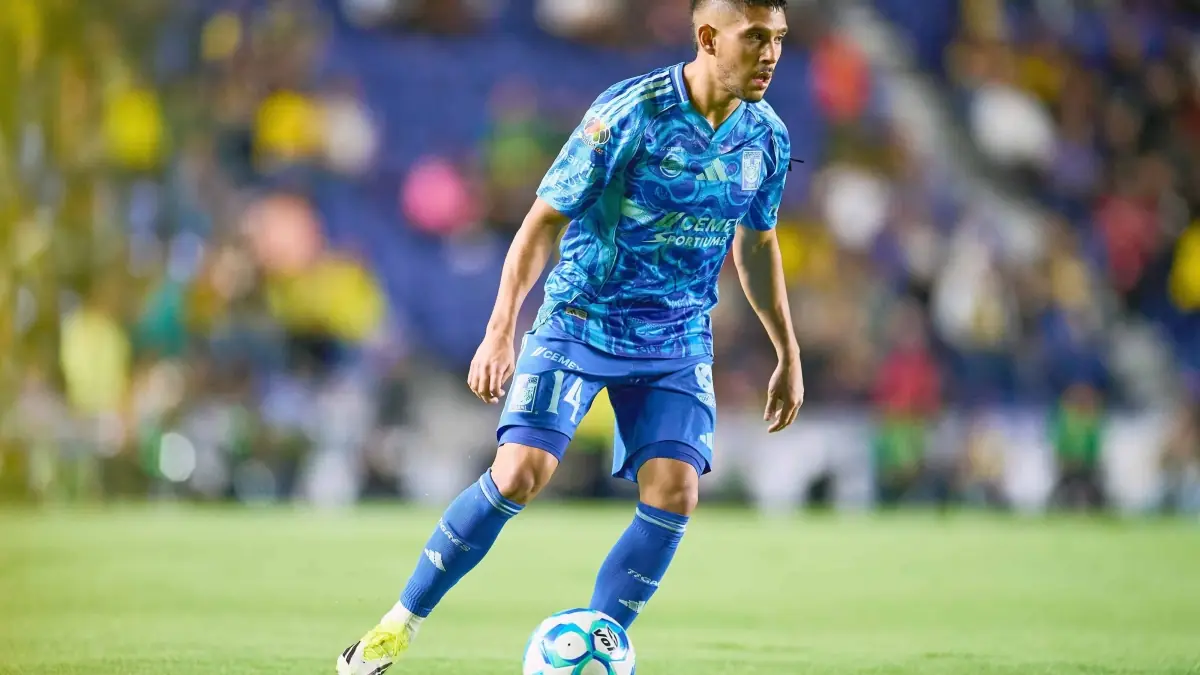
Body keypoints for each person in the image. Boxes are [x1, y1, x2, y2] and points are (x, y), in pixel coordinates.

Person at [338, 1, 802, 671]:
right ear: (707, 36)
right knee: (520, 474)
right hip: (582, 320)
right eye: (755, 37)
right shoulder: (630, 113)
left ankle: (595, 648)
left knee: (675, 491)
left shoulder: (768, 137)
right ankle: (396, 626)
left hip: (676, 338)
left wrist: (786, 350)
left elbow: (756, 246)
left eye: (779, 38)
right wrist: (500, 330)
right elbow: (543, 222)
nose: (771, 53)